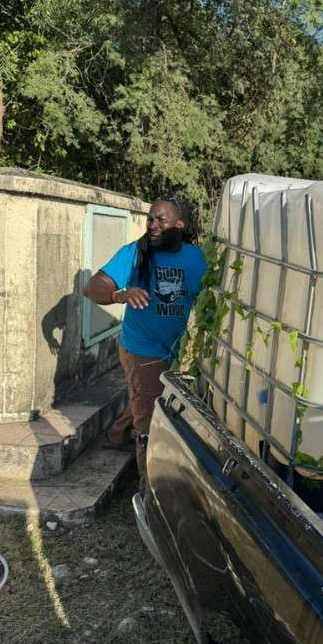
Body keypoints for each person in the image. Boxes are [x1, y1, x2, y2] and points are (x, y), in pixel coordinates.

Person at [85, 195, 207, 484]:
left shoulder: (197, 258)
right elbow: (92, 287)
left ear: (180, 225)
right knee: (150, 422)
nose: (152, 225)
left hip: (171, 349)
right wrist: (119, 294)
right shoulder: (135, 253)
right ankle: (148, 488)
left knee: (145, 396)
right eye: (150, 219)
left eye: (160, 220)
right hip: (140, 348)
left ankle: (115, 436)